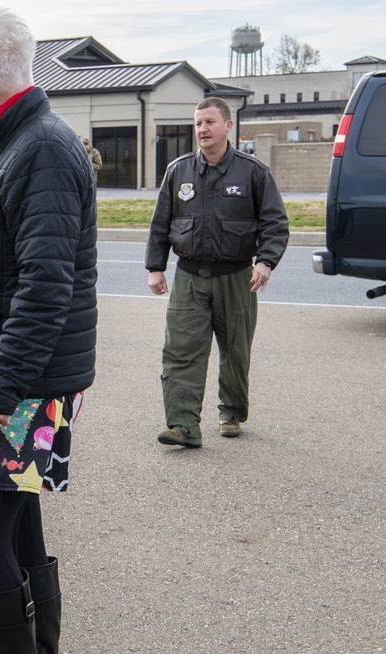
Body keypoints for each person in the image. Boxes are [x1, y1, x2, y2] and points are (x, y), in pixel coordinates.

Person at [0, 9, 98, 654]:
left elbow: (45, 286)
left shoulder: (41, 150)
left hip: (21, 388)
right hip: (11, 381)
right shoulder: (10, 143)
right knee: (20, 528)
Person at [146, 97, 289, 448]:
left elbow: (275, 222)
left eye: (209, 122)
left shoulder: (253, 172)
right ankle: (182, 425)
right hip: (190, 276)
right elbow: (161, 223)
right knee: (181, 349)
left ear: (228, 126)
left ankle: (231, 413)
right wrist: (155, 267)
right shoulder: (179, 171)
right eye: (197, 124)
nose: (202, 129)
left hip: (236, 277)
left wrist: (265, 261)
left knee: (235, 350)